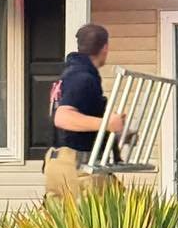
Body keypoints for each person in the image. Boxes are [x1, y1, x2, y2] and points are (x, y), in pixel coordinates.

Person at [43, 22, 124, 201]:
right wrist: (108, 124)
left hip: (59, 163)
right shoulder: (82, 78)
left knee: (63, 225)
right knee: (105, 221)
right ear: (105, 47)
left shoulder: (68, 75)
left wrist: (116, 135)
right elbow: (63, 118)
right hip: (78, 166)